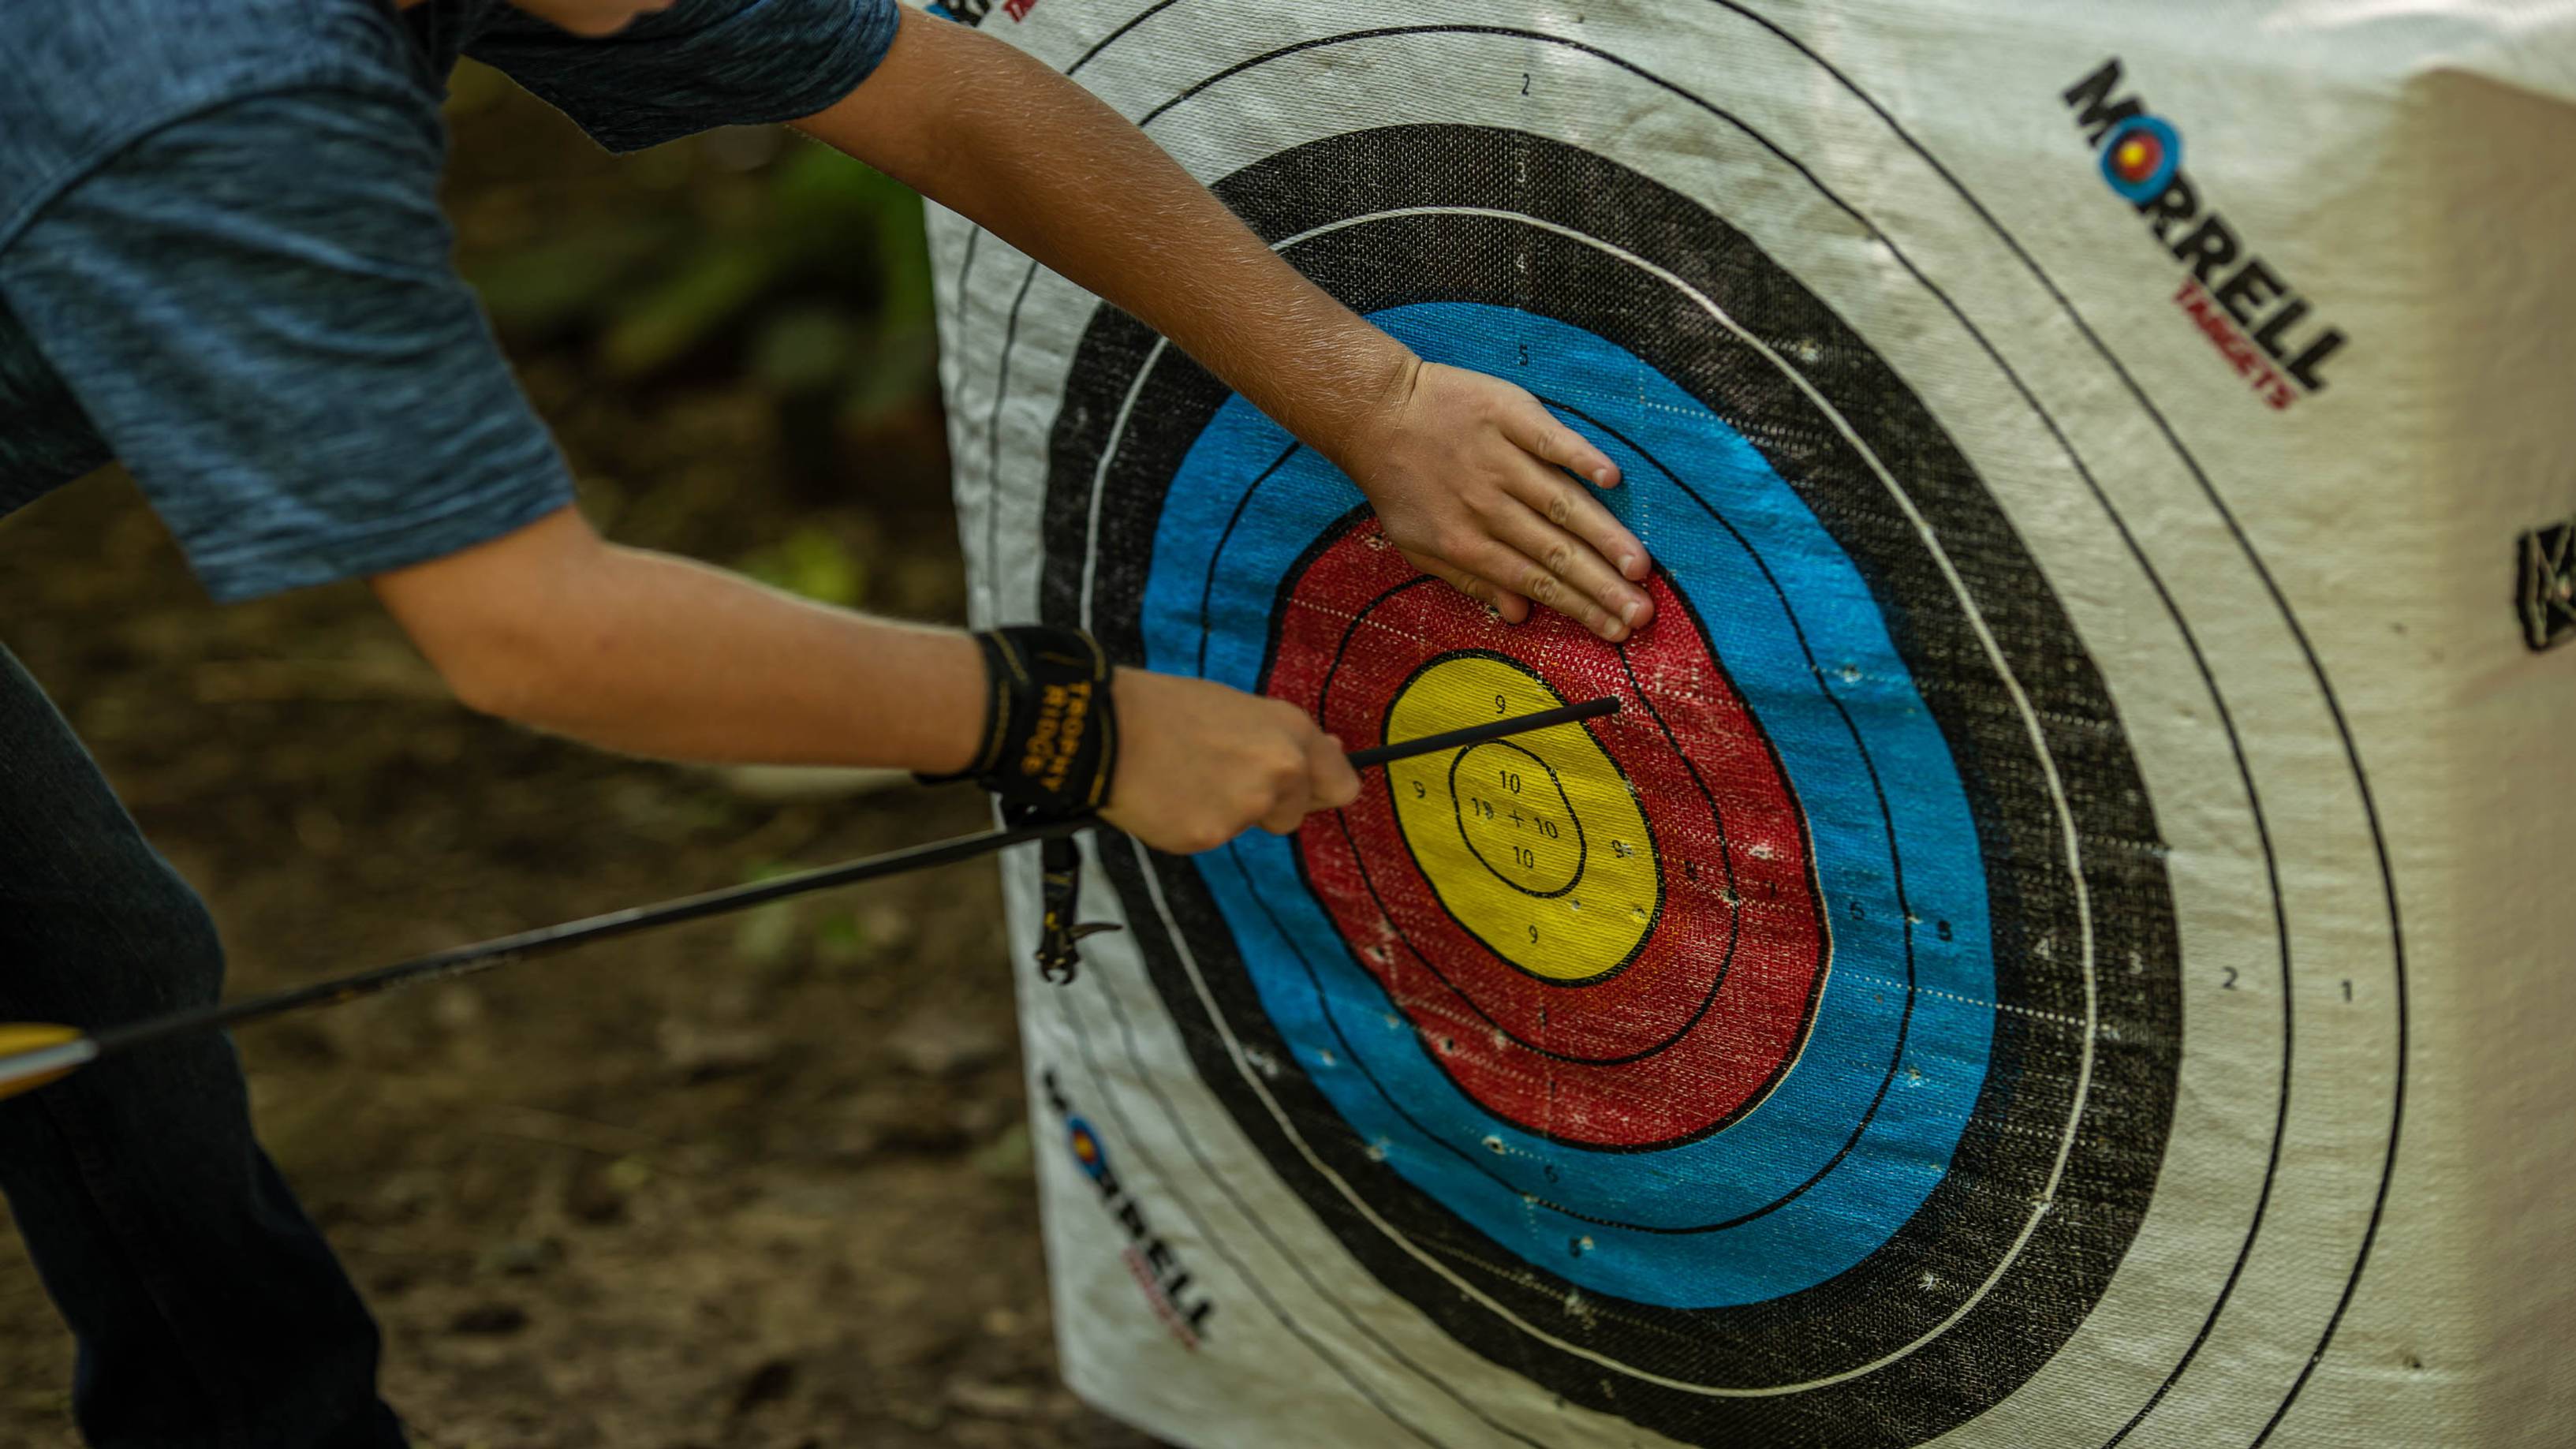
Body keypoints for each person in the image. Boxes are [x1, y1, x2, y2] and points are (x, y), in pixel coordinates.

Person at [0, 0, 1659, 1442]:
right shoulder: (210, 87)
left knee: (89, 968)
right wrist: (1077, 730)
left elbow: (927, 90)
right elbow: (530, 630)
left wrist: (1367, 393)